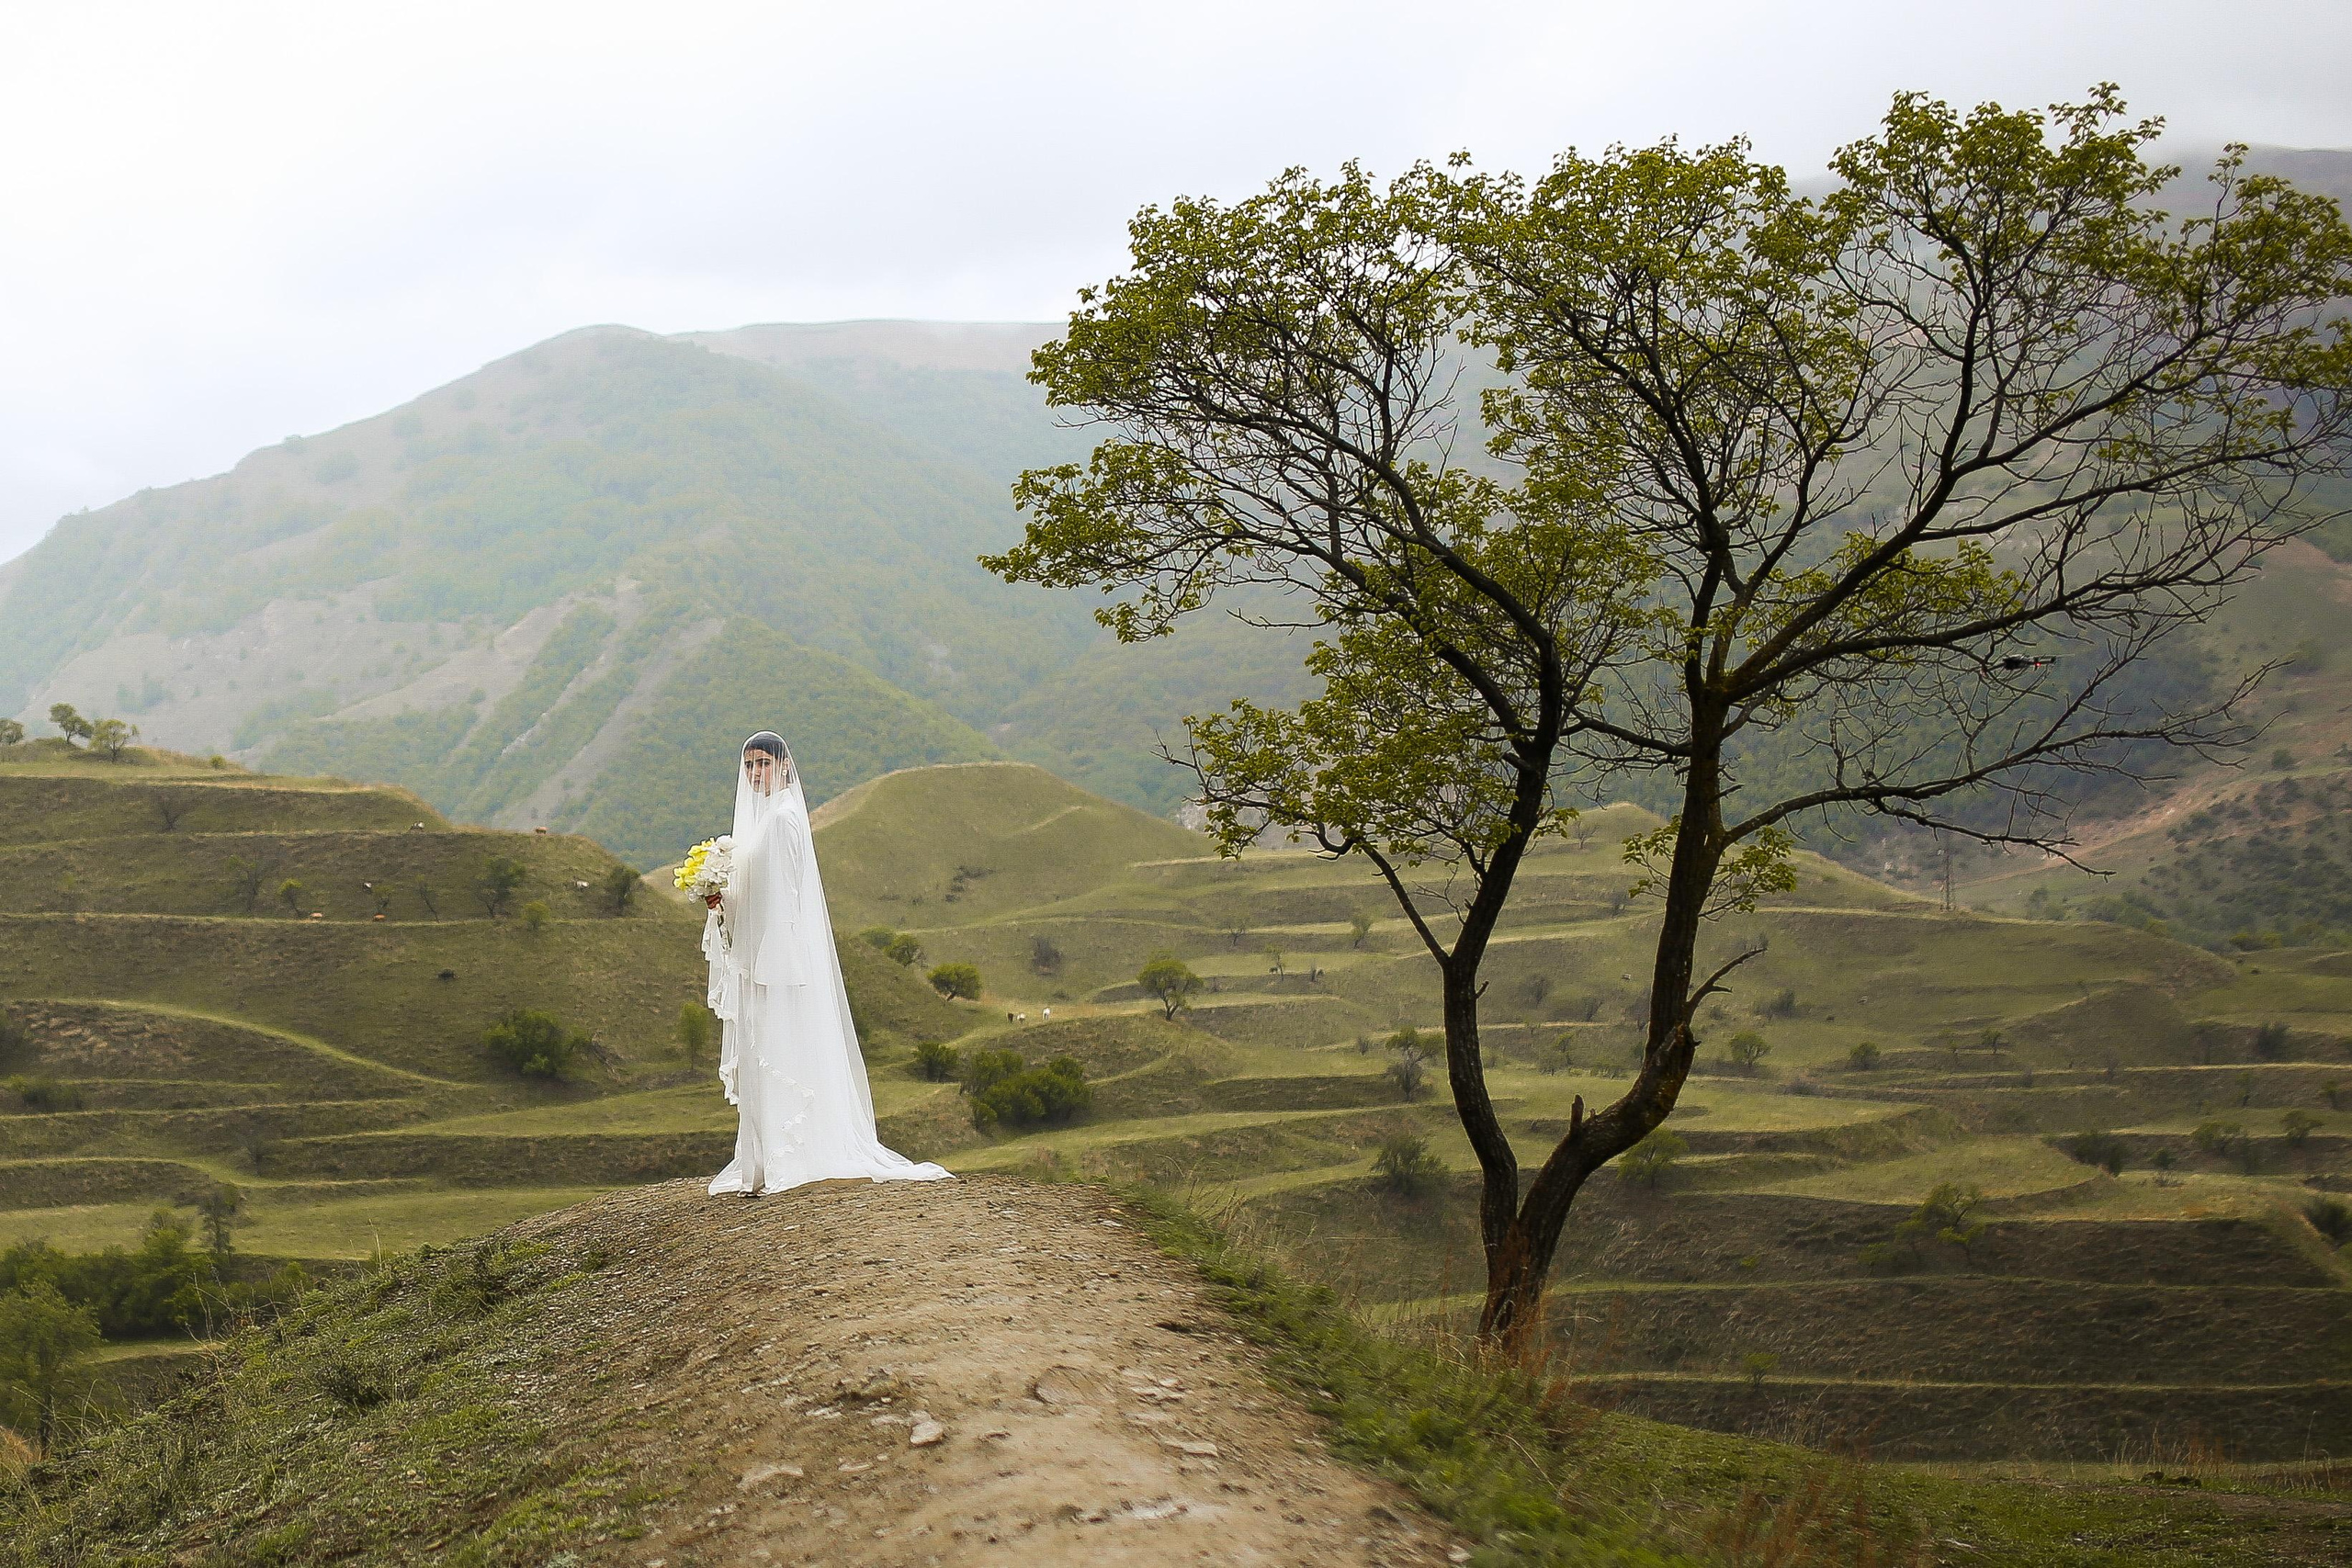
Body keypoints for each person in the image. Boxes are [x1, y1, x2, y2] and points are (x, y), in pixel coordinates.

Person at [701, 732, 950, 1195]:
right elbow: (758, 892)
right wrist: (719, 896)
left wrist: (756, 943)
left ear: (784, 767)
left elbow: (783, 897)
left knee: (778, 1048)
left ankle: (789, 1153)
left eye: (763, 764)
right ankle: (765, 1158)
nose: (756, 774)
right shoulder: (768, 820)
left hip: (774, 956)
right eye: (749, 765)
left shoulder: (782, 820)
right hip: (761, 950)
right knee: (765, 1049)